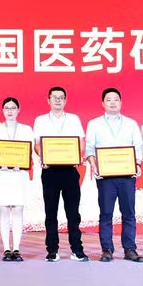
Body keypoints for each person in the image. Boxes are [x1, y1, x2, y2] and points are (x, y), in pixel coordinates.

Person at [85, 87, 143, 263]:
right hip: (106, 177)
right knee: (106, 213)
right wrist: (93, 163)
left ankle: (130, 249)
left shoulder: (131, 124)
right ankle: (107, 249)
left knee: (129, 213)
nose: (112, 102)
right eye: (109, 99)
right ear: (103, 103)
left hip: (127, 176)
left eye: (116, 99)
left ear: (121, 102)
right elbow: (89, 147)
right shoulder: (94, 124)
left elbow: (138, 146)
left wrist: (137, 163)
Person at [34, 86, 87, 262]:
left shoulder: (73, 119)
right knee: (51, 212)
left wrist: (75, 155)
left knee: (73, 213)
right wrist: (44, 156)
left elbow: (80, 142)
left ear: (65, 100)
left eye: (61, 97)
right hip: (49, 171)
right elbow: (37, 145)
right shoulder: (41, 120)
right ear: (48, 100)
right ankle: (52, 250)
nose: (58, 100)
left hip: (70, 171)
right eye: (54, 97)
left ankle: (77, 249)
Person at [0, 96, 34, 261]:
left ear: (18, 110)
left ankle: (17, 248)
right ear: (3, 110)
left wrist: (21, 163)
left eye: (13, 108)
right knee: (4, 209)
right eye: (7, 108)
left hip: (20, 174)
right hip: (2, 174)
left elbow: (29, 152)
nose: (10, 111)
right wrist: (0, 163)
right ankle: (7, 248)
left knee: (19, 209)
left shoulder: (26, 129)